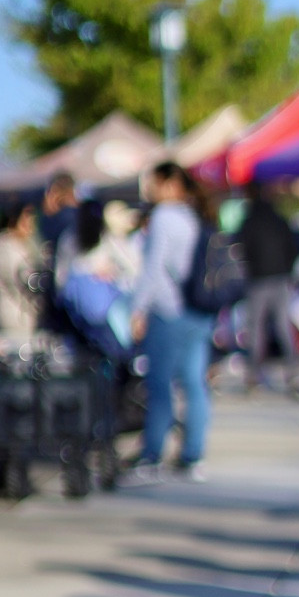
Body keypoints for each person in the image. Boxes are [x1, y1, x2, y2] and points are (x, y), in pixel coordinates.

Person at [121, 161, 213, 483]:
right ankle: (193, 454)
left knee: (159, 385)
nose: (149, 189)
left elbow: (153, 268)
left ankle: (153, 454)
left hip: (168, 311)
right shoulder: (194, 215)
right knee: (194, 383)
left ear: (169, 183)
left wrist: (137, 309)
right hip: (199, 311)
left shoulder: (163, 216)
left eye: (153, 183)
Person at [237, 182, 299, 392]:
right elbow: (293, 248)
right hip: (281, 278)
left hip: (258, 279)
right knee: (283, 325)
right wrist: (287, 270)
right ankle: (293, 373)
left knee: (256, 327)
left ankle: (254, 375)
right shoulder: (279, 219)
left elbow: (241, 250)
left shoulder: (249, 220)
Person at [0, 202, 45, 342]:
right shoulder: (4, 245)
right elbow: (17, 278)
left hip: (29, 314)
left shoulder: (29, 243)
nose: (30, 226)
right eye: (26, 221)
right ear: (14, 220)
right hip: (12, 313)